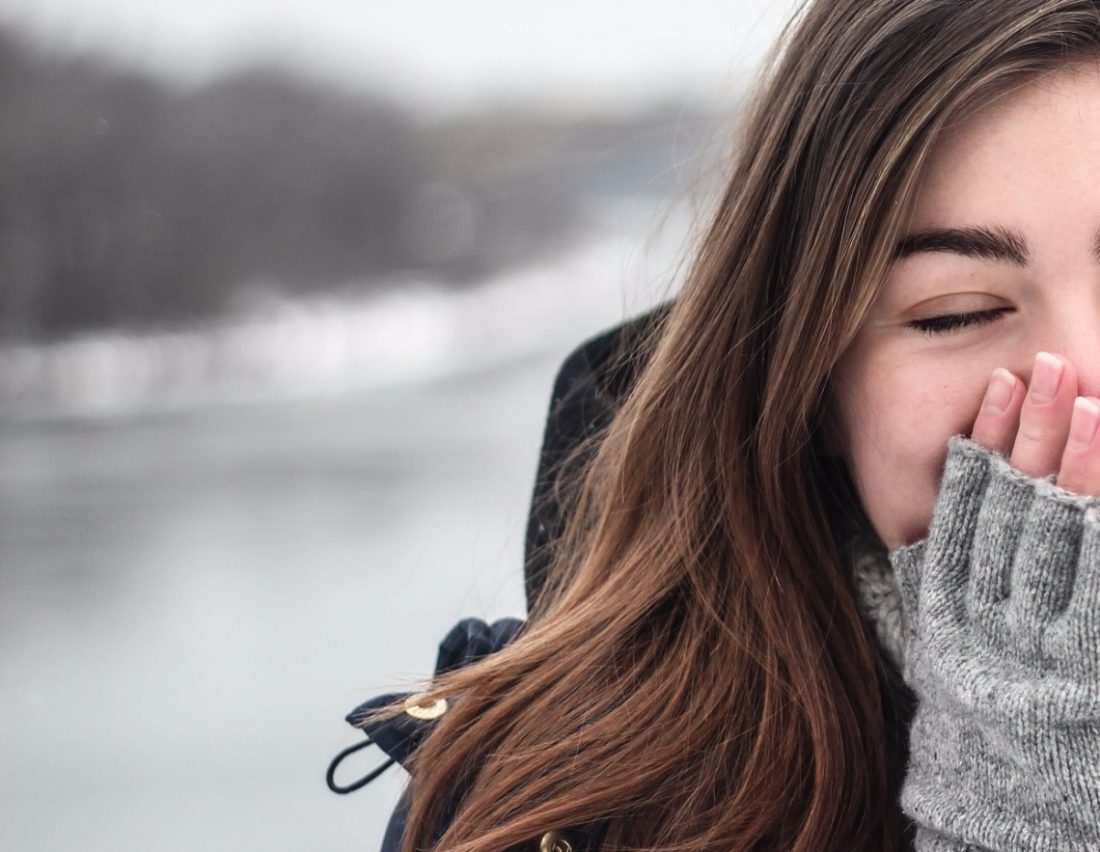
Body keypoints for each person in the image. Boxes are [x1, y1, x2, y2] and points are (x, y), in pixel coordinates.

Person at [331, 0, 1100, 848]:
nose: (1082, 382)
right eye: (956, 313)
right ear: (815, 383)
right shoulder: (542, 803)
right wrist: (1027, 779)